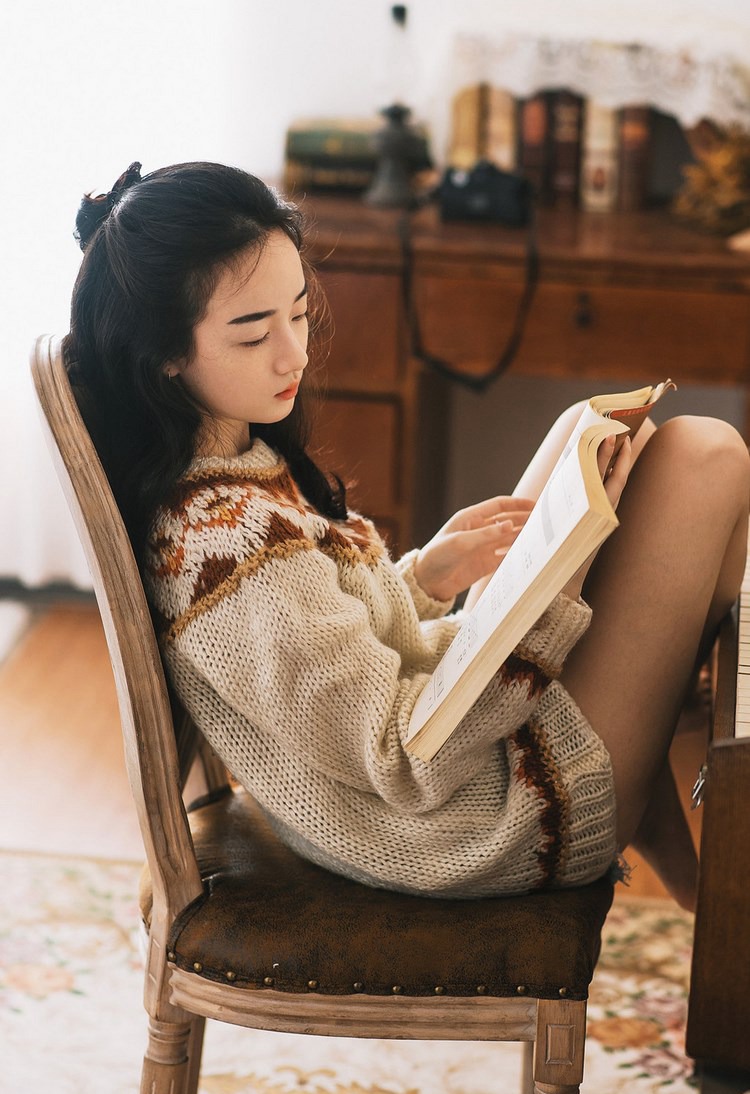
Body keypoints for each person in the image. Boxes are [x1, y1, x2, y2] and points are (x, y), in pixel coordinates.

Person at [65, 161, 750, 912]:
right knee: (706, 458)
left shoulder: (232, 466)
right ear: (163, 354)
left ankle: (665, 773)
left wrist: (425, 577)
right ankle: (671, 793)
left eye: (298, 314)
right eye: (253, 333)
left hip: (449, 776)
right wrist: (562, 592)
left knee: (601, 432)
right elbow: (397, 754)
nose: (293, 353)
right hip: (478, 824)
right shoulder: (225, 546)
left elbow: (342, 650)